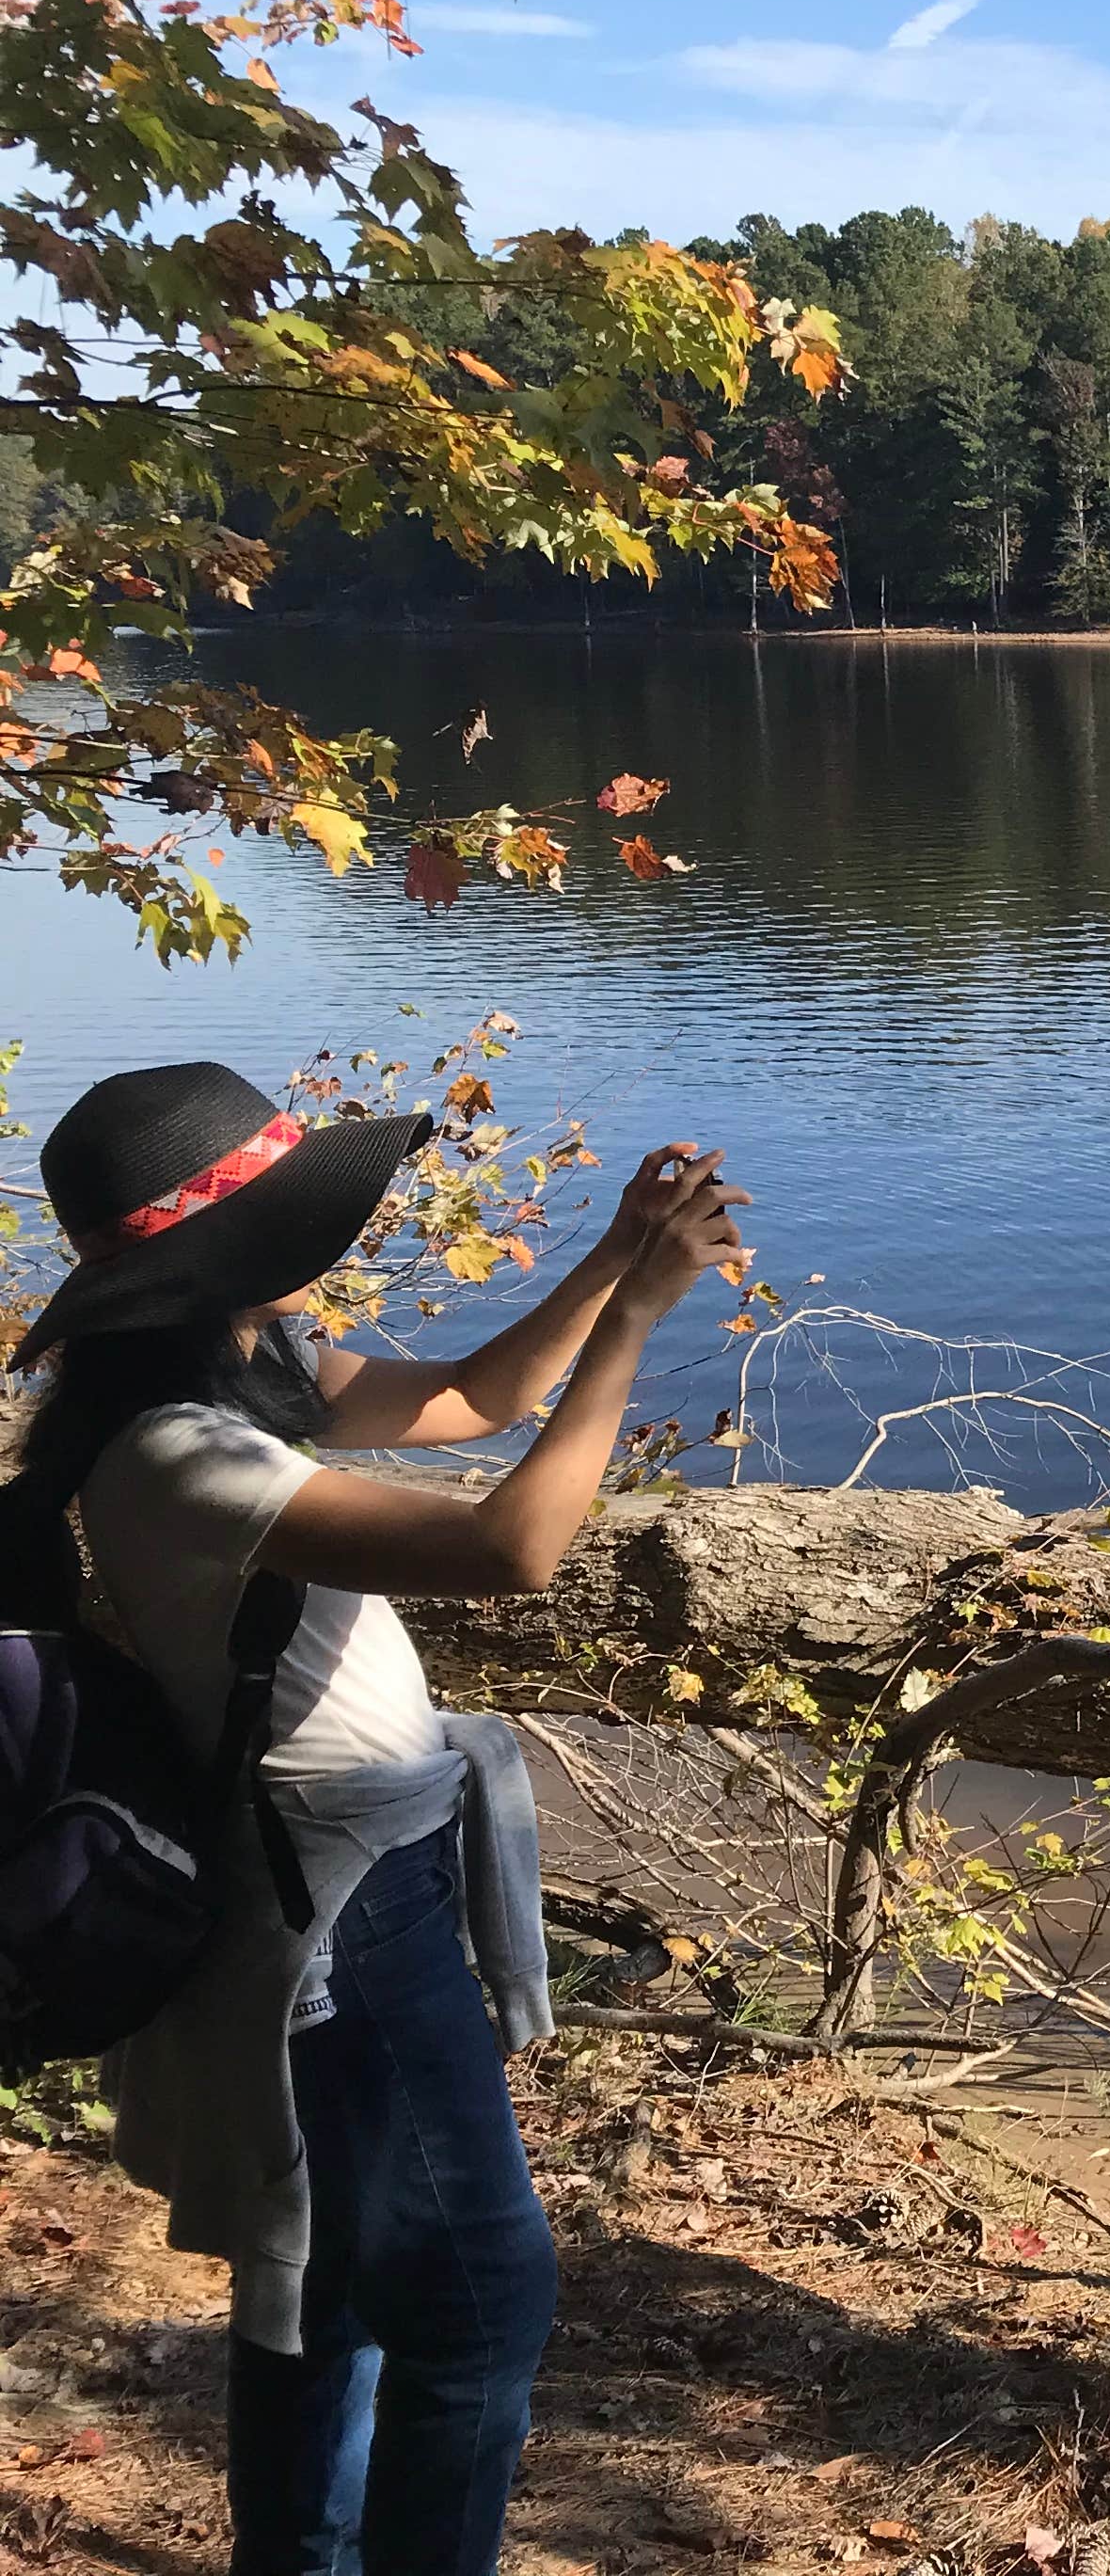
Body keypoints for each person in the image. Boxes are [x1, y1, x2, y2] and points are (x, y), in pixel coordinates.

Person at [1, 1061, 750, 2576]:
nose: (322, 1236)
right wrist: (638, 1319)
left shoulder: (245, 1366)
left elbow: (478, 1400)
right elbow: (512, 1545)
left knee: (320, 2280)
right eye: (291, 1213)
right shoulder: (175, 1451)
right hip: (333, 1908)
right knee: (480, 2301)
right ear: (220, 1254)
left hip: (349, 1875)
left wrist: (616, 1253)